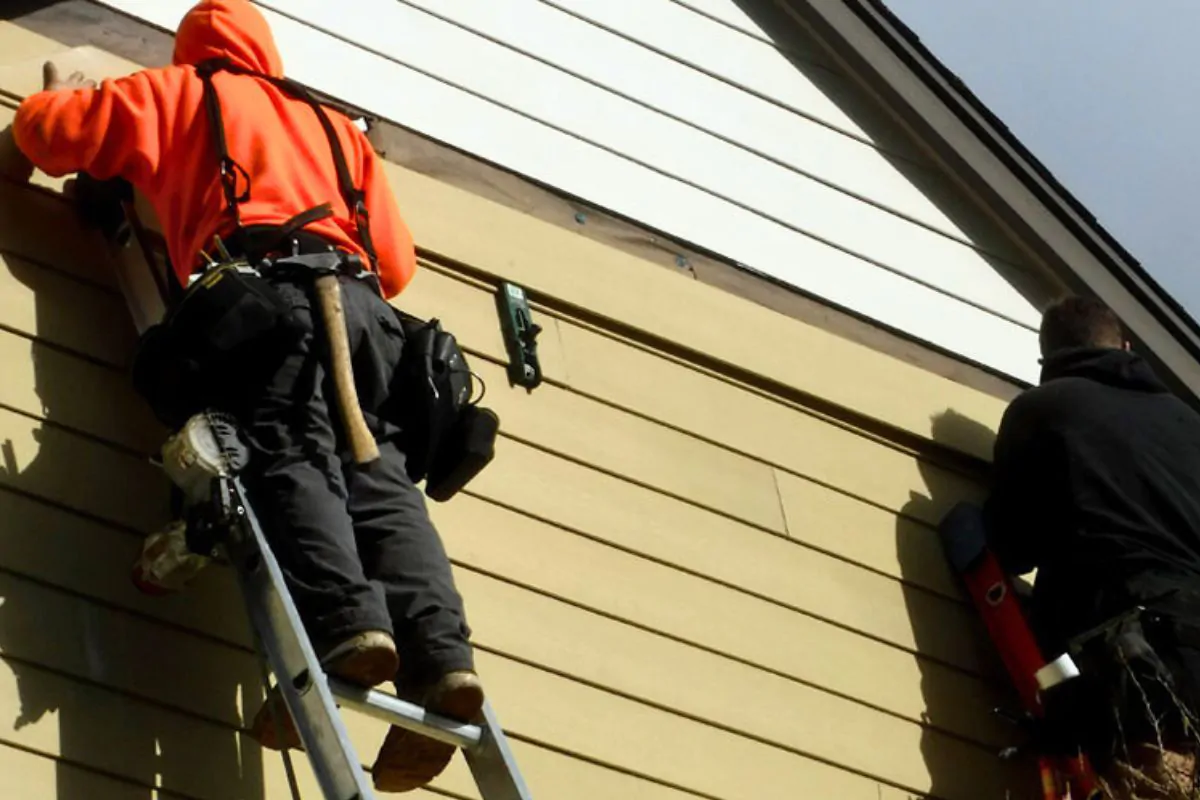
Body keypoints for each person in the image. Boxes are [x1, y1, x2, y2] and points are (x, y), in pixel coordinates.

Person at [13, 0, 480, 791]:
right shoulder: (337, 129)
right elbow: (395, 262)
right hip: (370, 317)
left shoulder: (184, 92)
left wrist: (60, 86)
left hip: (272, 299)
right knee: (382, 480)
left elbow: (51, 137)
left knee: (290, 452)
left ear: (195, 49)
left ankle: (347, 629)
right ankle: (444, 663)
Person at [984, 295, 1200, 798]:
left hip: (1136, 663)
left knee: (1158, 784)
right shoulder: (1190, 423)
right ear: (1126, 347)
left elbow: (1012, 548)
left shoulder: (1043, 410)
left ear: (1048, 362)